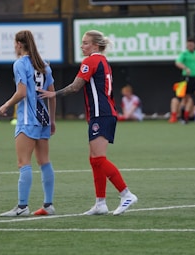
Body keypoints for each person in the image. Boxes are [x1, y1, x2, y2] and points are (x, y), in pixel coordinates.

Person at [38, 30, 138, 216]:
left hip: (101, 114)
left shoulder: (91, 61)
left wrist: (53, 93)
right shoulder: (103, 62)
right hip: (102, 114)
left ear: (95, 45)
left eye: (85, 43)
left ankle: (126, 194)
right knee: (94, 159)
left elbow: (76, 86)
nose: (82, 46)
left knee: (99, 159)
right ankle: (100, 203)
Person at [0, 30, 57, 217]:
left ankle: (22, 207)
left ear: (18, 44)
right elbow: (52, 95)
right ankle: (48, 205)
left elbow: (22, 92)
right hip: (43, 119)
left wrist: (6, 104)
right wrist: (52, 119)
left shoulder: (20, 64)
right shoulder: (44, 65)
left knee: (24, 162)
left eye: (15, 43)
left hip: (27, 119)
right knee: (44, 161)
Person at [170, 37, 195, 123]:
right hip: (185, 78)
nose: (190, 46)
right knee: (185, 99)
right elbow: (177, 63)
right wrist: (185, 68)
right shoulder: (183, 54)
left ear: (194, 45)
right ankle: (183, 118)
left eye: (191, 44)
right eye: (188, 44)